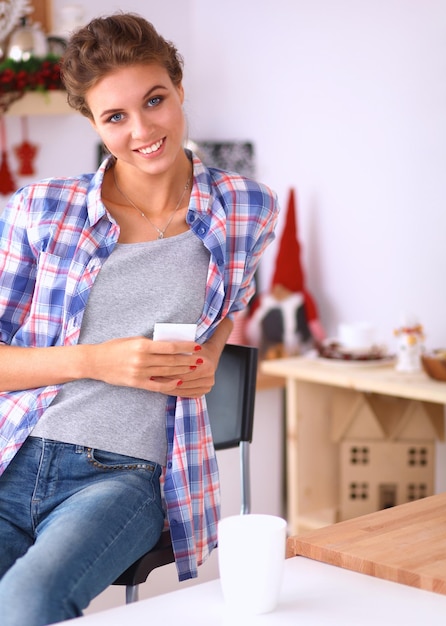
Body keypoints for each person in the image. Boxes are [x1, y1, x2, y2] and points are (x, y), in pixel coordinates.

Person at [0, 12, 279, 626]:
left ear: (179, 87)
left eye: (154, 100)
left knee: (23, 603)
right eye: (115, 117)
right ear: (95, 124)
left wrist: (210, 355)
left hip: (121, 478)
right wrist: (95, 360)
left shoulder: (246, 208)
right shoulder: (42, 209)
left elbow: (229, 306)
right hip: (13, 455)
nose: (142, 130)